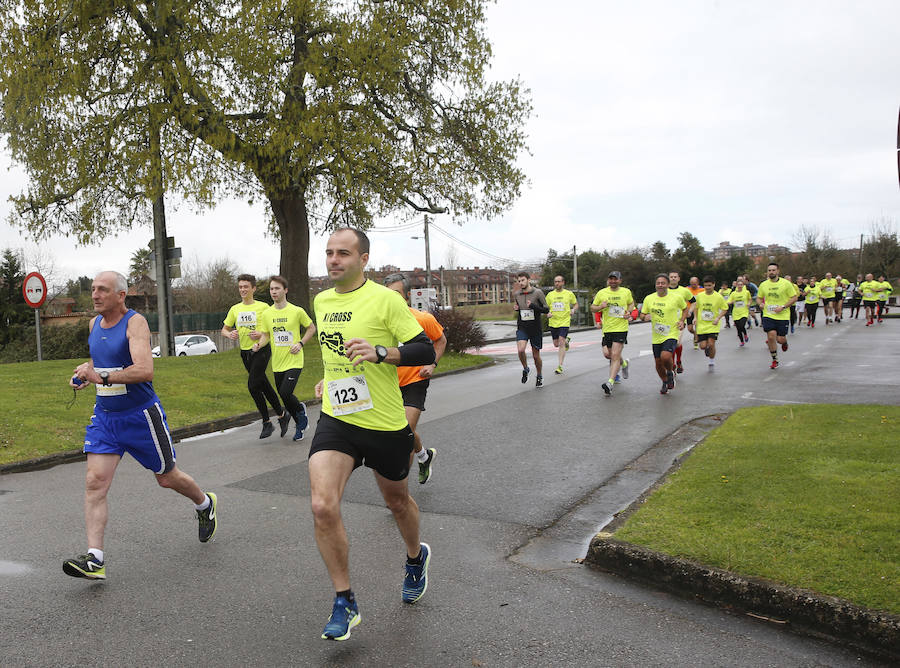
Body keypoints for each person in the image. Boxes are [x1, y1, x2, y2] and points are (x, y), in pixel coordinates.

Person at [310, 228, 435, 641]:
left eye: (343, 253)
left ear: (364, 259)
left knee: (397, 502)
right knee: (322, 505)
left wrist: (383, 353)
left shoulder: (385, 299)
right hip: (338, 420)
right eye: (329, 253)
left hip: (383, 422)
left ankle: (415, 557)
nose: (333, 260)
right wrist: (327, 380)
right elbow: (333, 352)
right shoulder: (322, 301)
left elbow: (424, 350)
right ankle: (344, 601)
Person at [64, 271, 217, 580]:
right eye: (93, 289)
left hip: (140, 417)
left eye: (103, 290)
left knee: (166, 477)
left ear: (121, 295)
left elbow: (145, 370)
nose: (95, 295)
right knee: (95, 482)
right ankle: (95, 559)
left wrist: (102, 377)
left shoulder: (135, 323)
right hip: (106, 418)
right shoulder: (94, 324)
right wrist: (86, 373)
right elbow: (102, 362)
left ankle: (204, 503)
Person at [383, 273, 447, 484]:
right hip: (389, 382)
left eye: (396, 294)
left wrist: (432, 364)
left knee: (403, 432)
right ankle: (424, 455)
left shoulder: (423, 319)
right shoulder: (380, 323)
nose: (392, 299)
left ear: (407, 296)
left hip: (415, 380)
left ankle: (399, 491)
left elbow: (440, 340)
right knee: (400, 430)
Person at [222, 274, 289, 439]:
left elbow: (273, 328)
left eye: (246, 287)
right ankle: (282, 414)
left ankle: (267, 422)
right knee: (263, 384)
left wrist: (260, 333)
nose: (243, 290)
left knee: (253, 385)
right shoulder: (235, 309)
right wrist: (229, 334)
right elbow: (224, 329)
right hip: (245, 352)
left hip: (262, 349)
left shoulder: (264, 307)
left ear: (253, 288)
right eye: (240, 287)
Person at [255, 276, 317, 441]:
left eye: (277, 288)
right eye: (271, 289)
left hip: (294, 359)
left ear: (285, 290)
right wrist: (259, 345)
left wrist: (301, 343)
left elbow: (311, 328)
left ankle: (301, 413)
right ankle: (300, 423)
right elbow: (267, 334)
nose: (274, 292)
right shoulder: (267, 313)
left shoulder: (296, 311)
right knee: (285, 396)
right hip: (278, 362)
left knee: (285, 392)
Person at [640, 274, 687, 395]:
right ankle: (665, 381)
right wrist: (645, 317)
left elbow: (685, 308)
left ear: (667, 285)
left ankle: (670, 371)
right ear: (655, 284)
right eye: (658, 283)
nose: (660, 285)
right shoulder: (649, 298)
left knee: (665, 357)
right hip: (657, 335)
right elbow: (642, 315)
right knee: (658, 364)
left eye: (663, 283)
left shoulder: (676, 297)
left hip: (671, 332)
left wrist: (682, 320)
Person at [591, 271, 635, 395]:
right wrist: (600, 307)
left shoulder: (626, 292)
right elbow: (592, 308)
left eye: (615, 279)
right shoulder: (602, 293)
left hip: (621, 328)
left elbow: (631, 303)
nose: (613, 281)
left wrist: (629, 312)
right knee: (608, 354)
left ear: (620, 280)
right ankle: (624, 364)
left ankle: (610, 382)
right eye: (611, 279)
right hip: (608, 329)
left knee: (615, 355)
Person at [756, 262, 798, 369]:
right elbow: (759, 297)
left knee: (780, 339)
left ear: (778, 271)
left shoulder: (786, 284)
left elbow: (794, 297)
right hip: (768, 314)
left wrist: (783, 307)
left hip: (782, 315)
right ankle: (775, 359)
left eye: (773, 270)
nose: (771, 272)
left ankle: (785, 342)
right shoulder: (763, 284)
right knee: (771, 336)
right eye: (769, 270)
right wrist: (760, 303)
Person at [512, 271, 549, 387]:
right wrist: (517, 308)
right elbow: (520, 308)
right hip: (523, 327)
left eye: (523, 280)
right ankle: (526, 368)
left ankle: (539, 375)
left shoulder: (537, 293)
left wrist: (533, 306)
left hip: (535, 328)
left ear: (528, 280)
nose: (521, 283)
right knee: (521, 350)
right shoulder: (517, 294)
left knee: (535, 356)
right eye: (519, 281)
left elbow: (546, 310)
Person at [694, 276, 728, 371]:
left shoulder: (718, 297)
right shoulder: (700, 296)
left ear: (714, 284)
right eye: (705, 286)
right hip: (702, 325)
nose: (708, 288)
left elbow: (725, 308)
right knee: (703, 346)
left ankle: (711, 360)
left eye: (709, 285)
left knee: (711, 344)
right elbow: (696, 307)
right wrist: (695, 317)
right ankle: (707, 349)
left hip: (713, 324)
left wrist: (718, 318)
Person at [546, 275, 579, 374]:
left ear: (563, 282)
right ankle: (567, 341)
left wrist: (573, 309)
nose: (557, 283)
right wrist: (547, 313)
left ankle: (560, 366)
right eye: (555, 281)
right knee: (556, 344)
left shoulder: (569, 294)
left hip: (564, 321)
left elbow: (576, 304)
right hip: (553, 322)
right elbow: (545, 307)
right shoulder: (550, 295)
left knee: (560, 342)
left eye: (559, 281)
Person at [667, 271, 695, 374]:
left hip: (680, 321)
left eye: (675, 277)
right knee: (670, 344)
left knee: (677, 343)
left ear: (679, 278)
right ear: (668, 278)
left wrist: (690, 311)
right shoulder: (664, 291)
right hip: (667, 322)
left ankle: (677, 362)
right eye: (671, 277)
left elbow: (693, 302)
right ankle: (673, 364)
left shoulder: (684, 291)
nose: (673, 278)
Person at [728, 278, 752, 347]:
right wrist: (731, 302)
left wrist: (749, 303)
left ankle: (745, 334)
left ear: (743, 285)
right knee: (738, 328)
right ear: (736, 285)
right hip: (735, 313)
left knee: (742, 325)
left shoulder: (746, 292)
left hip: (744, 312)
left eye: (741, 285)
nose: (740, 286)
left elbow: (750, 299)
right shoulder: (733, 293)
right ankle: (742, 341)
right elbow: (728, 302)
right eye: (738, 285)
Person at [686, 276, 704, 349]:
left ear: (698, 283)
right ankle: (695, 334)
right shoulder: (686, 289)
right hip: (689, 311)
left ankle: (696, 341)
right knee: (690, 329)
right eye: (692, 284)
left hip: (698, 310)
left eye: (694, 284)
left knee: (697, 327)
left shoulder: (702, 290)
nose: (693, 285)